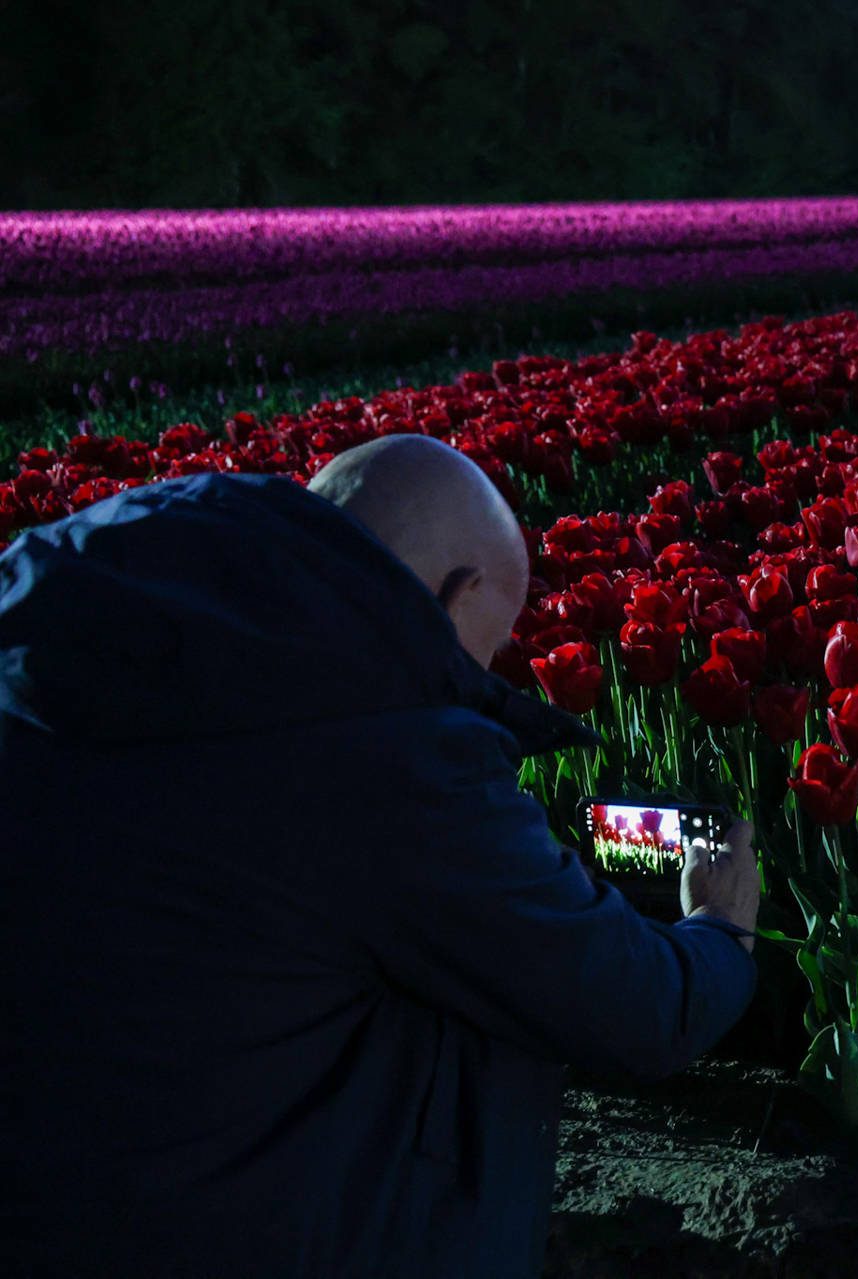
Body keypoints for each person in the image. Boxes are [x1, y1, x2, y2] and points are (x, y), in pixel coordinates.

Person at [0, 435, 763, 1277]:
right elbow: (632, 1005)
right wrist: (719, 929)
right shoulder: (388, 753)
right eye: (489, 647)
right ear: (457, 593)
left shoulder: (67, 625)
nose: (481, 679)